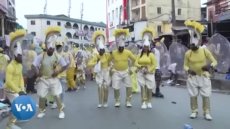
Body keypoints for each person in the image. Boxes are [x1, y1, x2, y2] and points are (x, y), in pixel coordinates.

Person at [184, 21, 217, 121]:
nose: (192, 46)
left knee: (206, 95)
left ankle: (206, 112)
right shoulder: (188, 53)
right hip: (193, 77)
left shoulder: (204, 50)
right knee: (193, 95)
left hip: (204, 76)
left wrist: (209, 66)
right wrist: (189, 70)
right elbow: (185, 65)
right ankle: (194, 111)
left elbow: (214, 61)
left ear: (199, 41)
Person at [33, 27, 68, 119]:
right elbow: (34, 65)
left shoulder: (57, 56)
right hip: (43, 79)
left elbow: (65, 65)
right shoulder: (41, 56)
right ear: (46, 48)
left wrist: (58, 72)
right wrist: (37, 72)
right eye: (50, 49)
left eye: (52, 49)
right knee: (41, 95)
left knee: (56, 95)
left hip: (53, 79)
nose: (51, 51)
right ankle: (42, 111)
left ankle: (61, 111)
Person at [110, 29, 136, 107]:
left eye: (122, 48)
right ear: (117, 47)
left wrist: (132, 68)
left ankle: (128, 101)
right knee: (116, 87)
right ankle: (117, 101)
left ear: (124, 46)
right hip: (116, 72)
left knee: (129, 86)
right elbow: (109, 61)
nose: (121, 49)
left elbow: (135, 59)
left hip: (126, 71)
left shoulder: (128, 52)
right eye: (119, 48)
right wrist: (112, 67)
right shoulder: (114, 53)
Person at [4, 42, 26, 129]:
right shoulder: (10, 66)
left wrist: (22, 89)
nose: (22, 57)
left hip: (17, 90)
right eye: (20, 56)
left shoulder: (20, 65)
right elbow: (9, 81)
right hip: (9, 90)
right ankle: (9, 125)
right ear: (16, 56)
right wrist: (18, 91)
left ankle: (17, 117)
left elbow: (21, 78)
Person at [135, 38, 157, 109]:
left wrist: (148, 70)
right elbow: (136, 62)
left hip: (149, 73)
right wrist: (140, 66)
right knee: (143, 87)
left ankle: (149, 101)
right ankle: (143, 102)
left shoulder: (151, 55)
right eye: (145, 47)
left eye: (147, 47)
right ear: (143, 46)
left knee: (149, 87)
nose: (146, 48)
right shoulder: (139, 54)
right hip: (141, 72)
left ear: (149, 47)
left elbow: (154, 64)